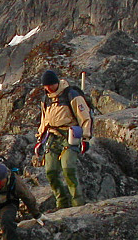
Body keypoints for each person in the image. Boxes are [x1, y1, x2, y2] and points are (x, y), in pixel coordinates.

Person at [33, 69, 93, 209]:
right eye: (45, 86)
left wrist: (85, 138)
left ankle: (77, 203)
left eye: (50, 85)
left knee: (68, 168)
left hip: (70, 135)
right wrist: (39, 139)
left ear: (56, 83)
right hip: (52, 136)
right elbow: (44, 120)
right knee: (50, 171)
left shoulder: (71, 95)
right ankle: (61, 203)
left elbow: (85, 118)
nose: (48, 88)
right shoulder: (46, 99)